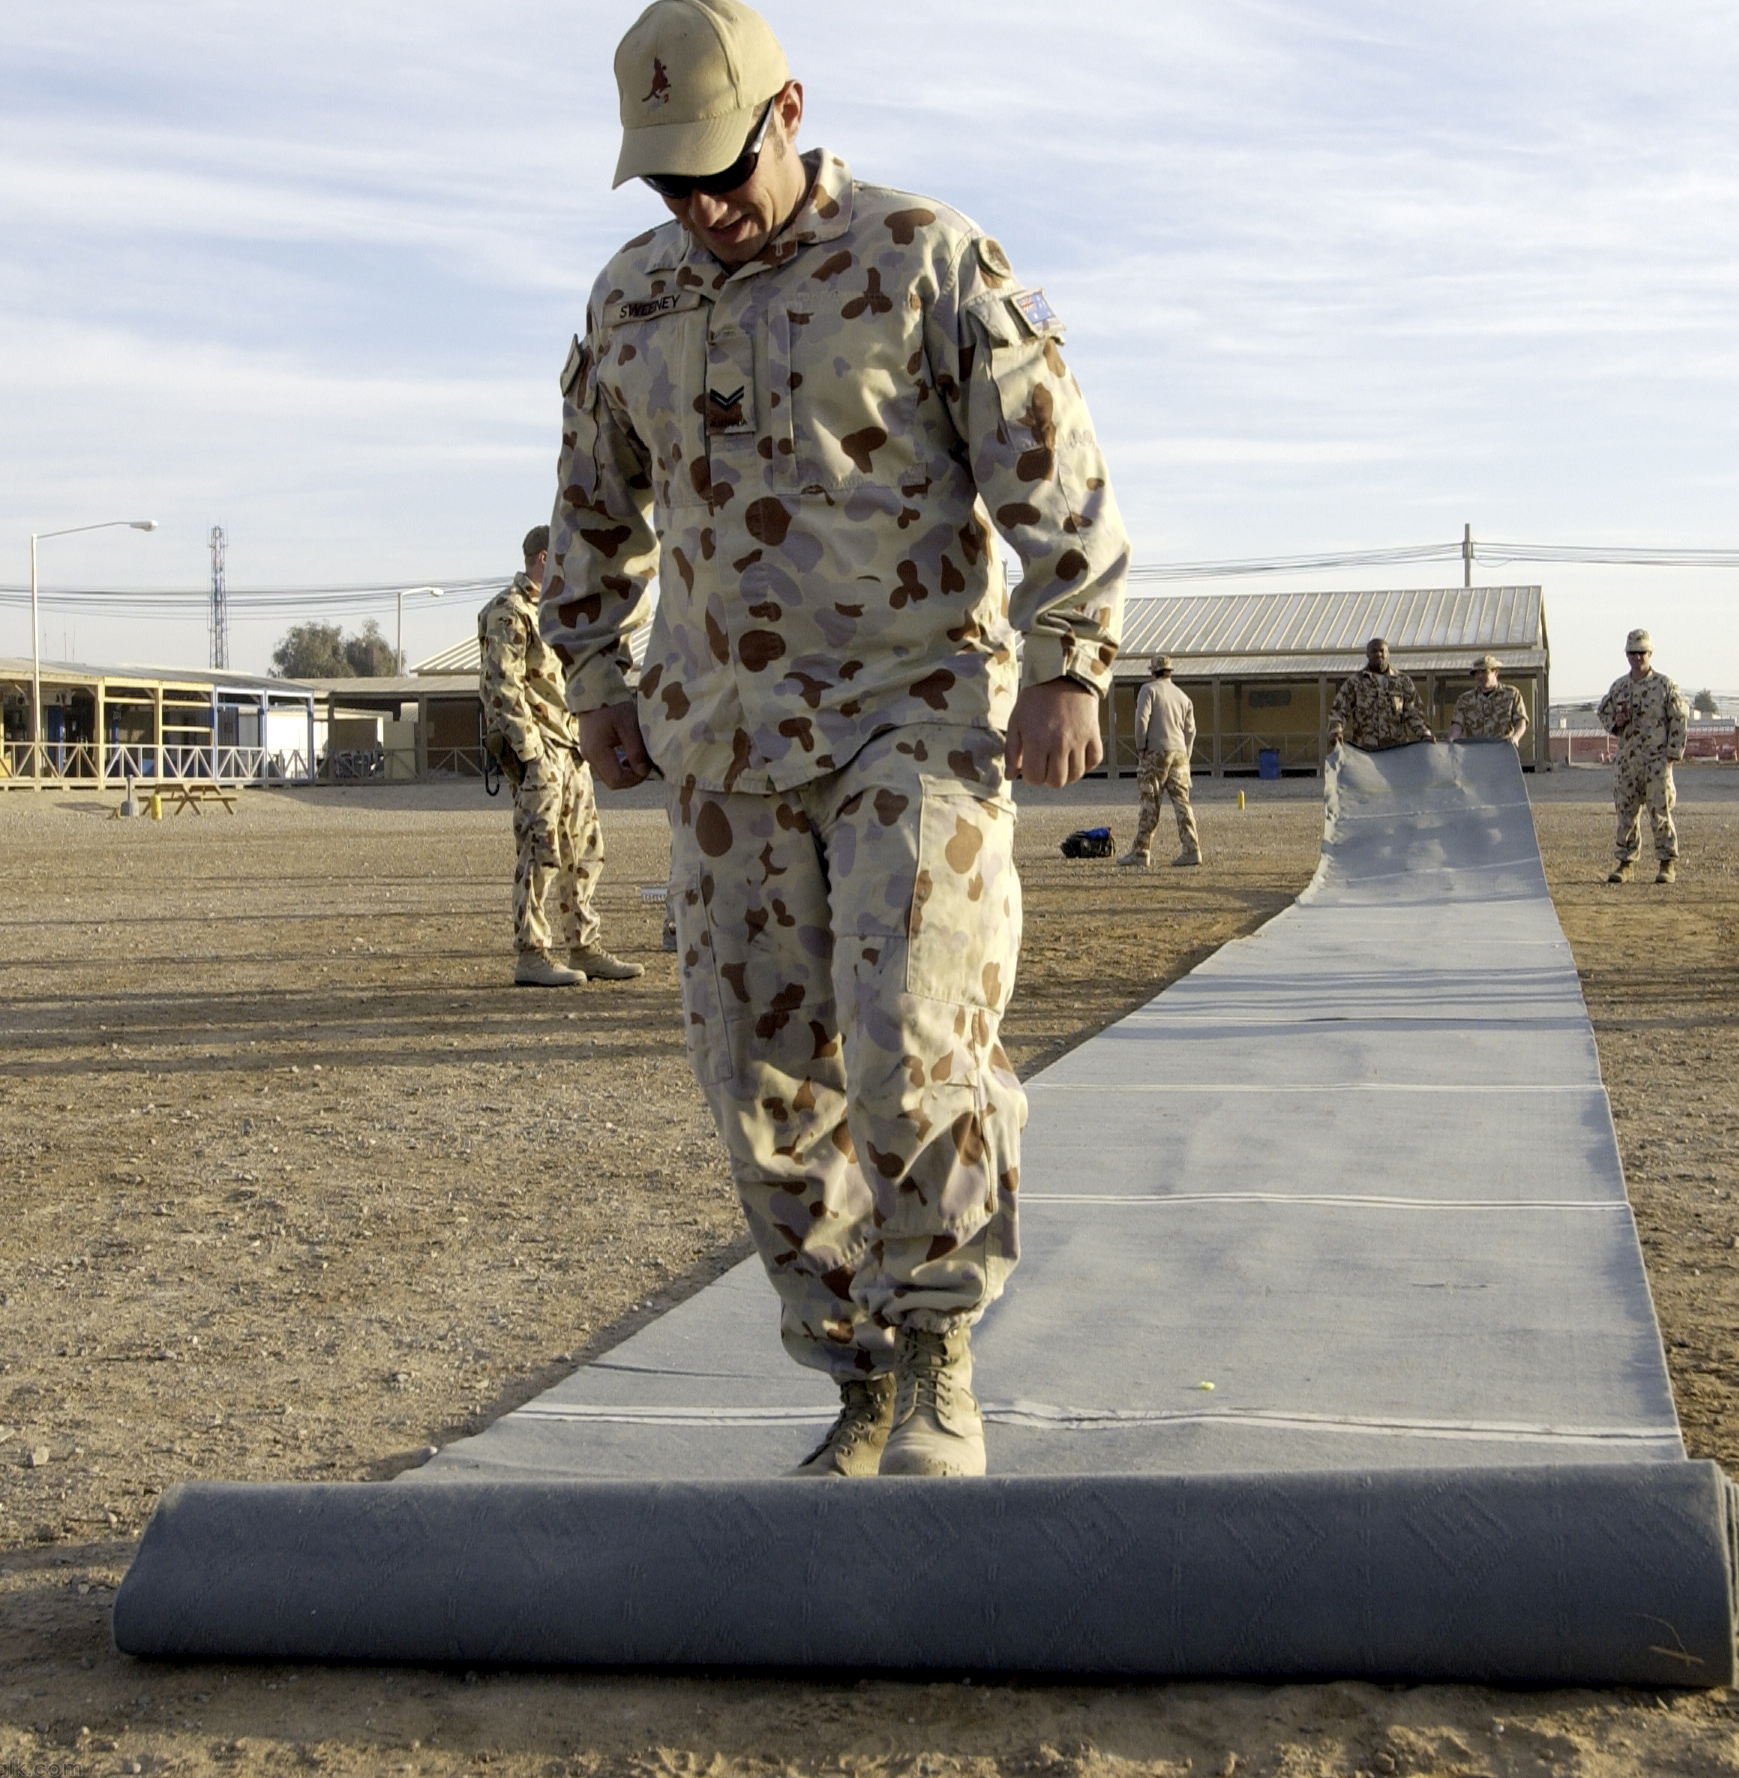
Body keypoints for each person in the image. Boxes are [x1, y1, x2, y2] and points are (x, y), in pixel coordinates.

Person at [545, 0, 1128, 1480]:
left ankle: (938, 1356)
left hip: (909, 719)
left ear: (789, 109)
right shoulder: (630, 302)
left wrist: (1071, 663)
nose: (705, 205)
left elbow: (1053, 473)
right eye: (671, 183)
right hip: (726, 749)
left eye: (722, 167)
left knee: (910, 1043)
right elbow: (592, 511)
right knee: (756, 1080)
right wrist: (594, 673)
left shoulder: (925, 257)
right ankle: (854, 1373)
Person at [479, 526, 645, 989]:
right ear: (544, 557)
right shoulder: (511, 612)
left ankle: (583, 946)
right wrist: (529, 751)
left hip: (571, 746)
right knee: (541, 852)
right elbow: (500, 685)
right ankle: (531, 954)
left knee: (585, 852)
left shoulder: (559, 613)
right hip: (542, 751)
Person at [1595, 629, 1689, 884]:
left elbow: (1679, 718)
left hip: (1656, 761)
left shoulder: (1664, 685)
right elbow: (1602, 712)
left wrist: (1672, 754)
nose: (1637, 658)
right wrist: (1616, 723)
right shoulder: (1620, 687)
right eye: (1632, 653)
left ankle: (1667, 863)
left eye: (1641, 653)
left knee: (1660, 811)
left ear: (1650, 654)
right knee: (1626, 812)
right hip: (1628, 761)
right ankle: (1626, 863)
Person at [1124, 655, 1199, 867]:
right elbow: (1191, 731)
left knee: (1150, 801)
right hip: (1179, 752)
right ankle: (1192, 849)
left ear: (1152, 672)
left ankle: (1141, 852)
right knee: (1182, 803)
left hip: (1156, 751)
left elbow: (1141, 720)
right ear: (1170, 672)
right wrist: (1186, 755)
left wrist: (1141, 747)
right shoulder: (1183, 697)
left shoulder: (1149, 690)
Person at [1327, 638, 1433, 751]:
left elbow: (1414, 714)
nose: (1378, 654)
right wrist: (1336, 732)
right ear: (1367, 654)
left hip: (1396, 752)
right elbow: (1338, 712)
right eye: (1374, 651)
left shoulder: (1403, 682)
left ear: (1388, 653)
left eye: (1382, 651)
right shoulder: (1355, 682)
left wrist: (1425, 735)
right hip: (1364, 752)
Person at [1449, 654, 1527, 744]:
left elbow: (1521, 720)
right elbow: (1457, 724)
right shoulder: (1465, 699)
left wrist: (1515, 737)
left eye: (1483, 672)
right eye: (1476, 673)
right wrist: (1453, 739)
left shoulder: (1511, 694)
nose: (1479, 676)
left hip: (1501, 749)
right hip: (1474, 751)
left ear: (1495, 672)